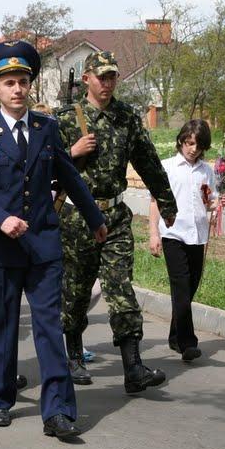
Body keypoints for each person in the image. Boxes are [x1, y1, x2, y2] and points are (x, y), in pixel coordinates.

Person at [0, 40, 107, 440]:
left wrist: (95, 219)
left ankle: (57, 410)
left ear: (30, 85)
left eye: (22, 81)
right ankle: (0, 396)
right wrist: (0, 219)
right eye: (8, 83)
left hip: (42, 244)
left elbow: (70, 176)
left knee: (48, 327)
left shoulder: (47, 128)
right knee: (1, 326)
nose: (17, 89)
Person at [55, 51, 177, 394]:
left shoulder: (126, 118)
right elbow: (42, 165)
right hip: (76, 216)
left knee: (120, 286)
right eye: (101, 76)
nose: (107, 83)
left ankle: (133, 366)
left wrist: (167, 202)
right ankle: (74, 354)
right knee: (76, 291)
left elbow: (149, 162)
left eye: (112, 77)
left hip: (116, 216)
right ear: (87, 79)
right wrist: (72, 152)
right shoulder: (65, 119)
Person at [148, 119, 225, 361]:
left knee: (190, 287)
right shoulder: (167, 167)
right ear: (181, 141)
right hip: (173, 234)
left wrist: (219, 203)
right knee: (181, 287)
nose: (192, 149)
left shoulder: (207, 171)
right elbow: (155, 202)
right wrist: (154, 233)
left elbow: (208, 201)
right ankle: (188, 343)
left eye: (198, 145)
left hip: (198, 235)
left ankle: (175, 336)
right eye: (189, 143)